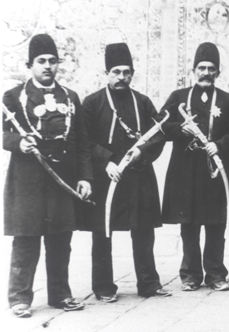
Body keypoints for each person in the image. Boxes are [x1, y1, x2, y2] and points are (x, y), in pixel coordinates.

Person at [3, 34, 92, 317]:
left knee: (60, 239)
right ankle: (19, 297)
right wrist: (19, 142)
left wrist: (85, 177)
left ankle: (60, 295)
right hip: (27, 180)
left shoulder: (71, 97)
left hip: (60, 180)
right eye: (41, 61)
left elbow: (81, 143)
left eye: (53, 61)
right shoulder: (12, 98)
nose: (47, 66)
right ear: (30, 64)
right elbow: (2, 133)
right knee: (26, 238)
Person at [81, 43, 171, 302]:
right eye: (116, 72)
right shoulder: (93, 103)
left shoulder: (142, 102)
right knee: (102, 232)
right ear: (106, 72)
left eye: (126, 72)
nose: (121, 77)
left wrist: (142, 152)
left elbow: (159, 133)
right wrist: (106, 161)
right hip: (107, 177)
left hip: (138, 176)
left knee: (143, 231)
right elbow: (85, 141)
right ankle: (103, 287)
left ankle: (149, 283)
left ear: (132, 73)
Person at [160, 42, 229, 292]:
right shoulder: (178, 98)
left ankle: (216, 274)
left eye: (211, 68)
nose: (206, 73)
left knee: (216, 223)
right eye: (201, 68)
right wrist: (179, 129)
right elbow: (160, 124)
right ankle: (190, 275)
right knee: (190, 224)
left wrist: (220, 145)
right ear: (193, 70)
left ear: (218, 72)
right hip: (186, 170)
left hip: (217, 169)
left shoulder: (228, 100)